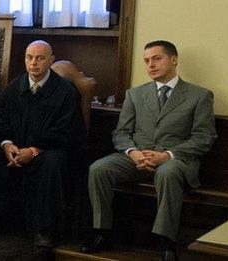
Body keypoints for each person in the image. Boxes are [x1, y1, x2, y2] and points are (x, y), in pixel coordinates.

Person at [80, 40, 217, 261]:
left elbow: (204, 137)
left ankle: (166, 242)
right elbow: (121, 133)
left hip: (175, 159)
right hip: (137, 157)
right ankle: (101, 231)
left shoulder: (199, 96)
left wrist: (167, 155)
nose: (150, 65)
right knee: (99, 168)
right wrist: (133, 152)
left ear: (174, 59)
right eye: (146, 61)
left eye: (156, 58)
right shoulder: (135, 94)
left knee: (167, 172)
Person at [0, 40, 86, 247]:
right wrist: (7, 145)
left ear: (51, 60)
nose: (33, 63)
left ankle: (43, 230)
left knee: (53, 163)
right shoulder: (14, 87)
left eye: (40, 58)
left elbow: (68, 131)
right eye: (29, 57)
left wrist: (34, 150)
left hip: (47, 151)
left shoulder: (65, 91)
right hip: (15, 149)